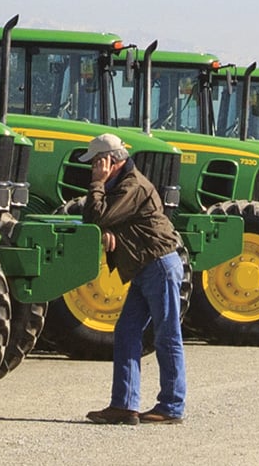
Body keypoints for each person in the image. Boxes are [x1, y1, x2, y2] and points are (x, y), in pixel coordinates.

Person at [80, 133, 186, 425]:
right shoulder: (122, 186)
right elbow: (101, 221)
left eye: (96, 163)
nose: (93, 168)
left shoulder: (132, 185)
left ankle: (172, 406)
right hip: (144, 267)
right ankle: (124, 405)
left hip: (159, 266)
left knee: (167, 335)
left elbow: (96, 217)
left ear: (109, 161)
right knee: (127, 331)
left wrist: (98, 184)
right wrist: (109, 231)